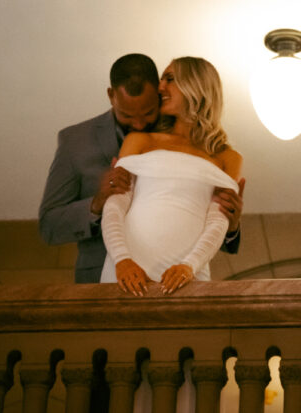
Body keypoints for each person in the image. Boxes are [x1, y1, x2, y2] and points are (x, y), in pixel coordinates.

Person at [39, 53, 243, 283]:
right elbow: (49, 226)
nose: (138, 124)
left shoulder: (219, 153)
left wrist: (232, 225)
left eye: (148, 113)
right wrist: (97, 203)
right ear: (111, 95)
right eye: (127, 115)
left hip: (183, 270)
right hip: (106, 272)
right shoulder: (75, 141)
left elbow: (201, 213)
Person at [100, 56, 243, 294]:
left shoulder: (228, 158)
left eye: (169, 79)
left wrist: (189, 266)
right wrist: (122, 260)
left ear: (195, 84)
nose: (160, 87)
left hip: (187, 277)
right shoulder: (139, 140)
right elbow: (116, 204)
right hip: (126, 272)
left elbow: (217, 221)